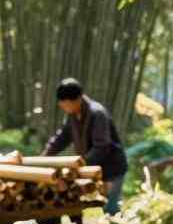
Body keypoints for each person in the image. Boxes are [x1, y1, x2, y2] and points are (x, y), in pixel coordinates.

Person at [44, 79, 128, 216]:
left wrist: (79, 165)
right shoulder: (72, 115)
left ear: (76, 99)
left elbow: (101, 146)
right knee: (106, 207)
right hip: (96, 168)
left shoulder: (97, 113)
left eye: (64, 104)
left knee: (111, 208)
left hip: (112, 168)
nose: (62, 107)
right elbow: (62, 138)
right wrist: (45, 156)